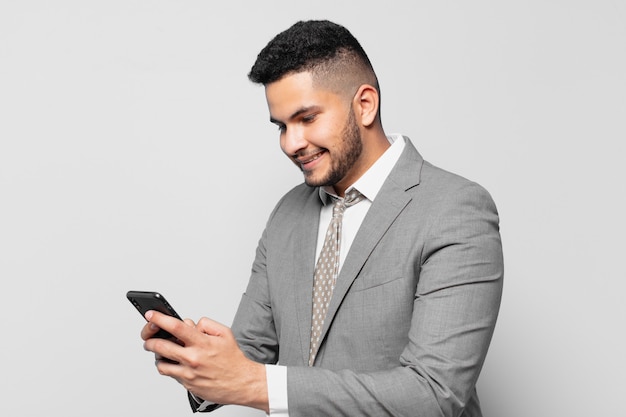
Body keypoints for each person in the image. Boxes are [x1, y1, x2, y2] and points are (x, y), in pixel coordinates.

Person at [140, 19, 504, 416]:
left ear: (365, 104)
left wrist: (253, 382)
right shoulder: (287, 214)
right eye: (281, 126)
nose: (291, 143)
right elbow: (250, 356)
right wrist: (200, 364)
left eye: (307, 118)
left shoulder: (455, 209)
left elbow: (434, 394)